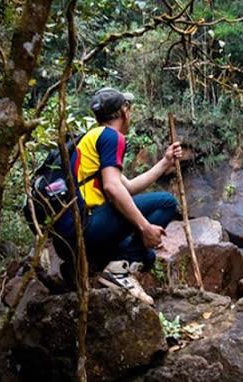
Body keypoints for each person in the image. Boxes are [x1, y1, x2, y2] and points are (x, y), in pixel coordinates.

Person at [52, 87, 182, 302]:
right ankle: (117, 273)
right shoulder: (112, 137)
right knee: (166, 203)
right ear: (124, 112)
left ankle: (80, 268)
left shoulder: (90, 139)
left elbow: (127, 187)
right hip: (87, 227)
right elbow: (113, 188)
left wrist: (165, 162)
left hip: (68, 241)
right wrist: (145, 227)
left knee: (147, 257)